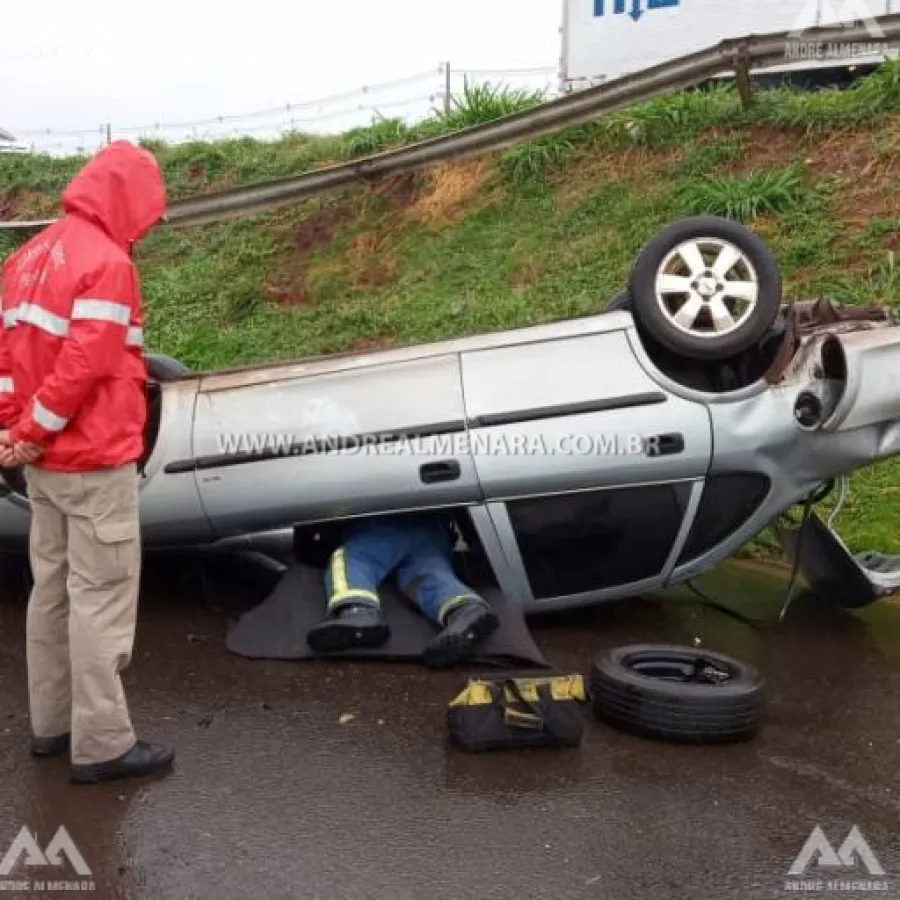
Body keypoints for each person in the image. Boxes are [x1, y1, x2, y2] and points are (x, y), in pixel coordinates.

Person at [0, 140, 174, 784]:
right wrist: (38, 431)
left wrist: (15, 433)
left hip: (44, 468)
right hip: (93, 460)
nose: (149, 226)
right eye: (149, 210)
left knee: (51, 594)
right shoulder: (108, 262)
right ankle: (103, 745)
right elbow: (88, 362)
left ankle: (53, 726)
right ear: (128, 198)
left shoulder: (26, 257)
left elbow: (9, 357)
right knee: (99, 598)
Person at [306, 512, 499, 668]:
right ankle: (465, 609)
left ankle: (357, 612)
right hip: (432, 528)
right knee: (428, 575)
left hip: (380, 524)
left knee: (353, 559)